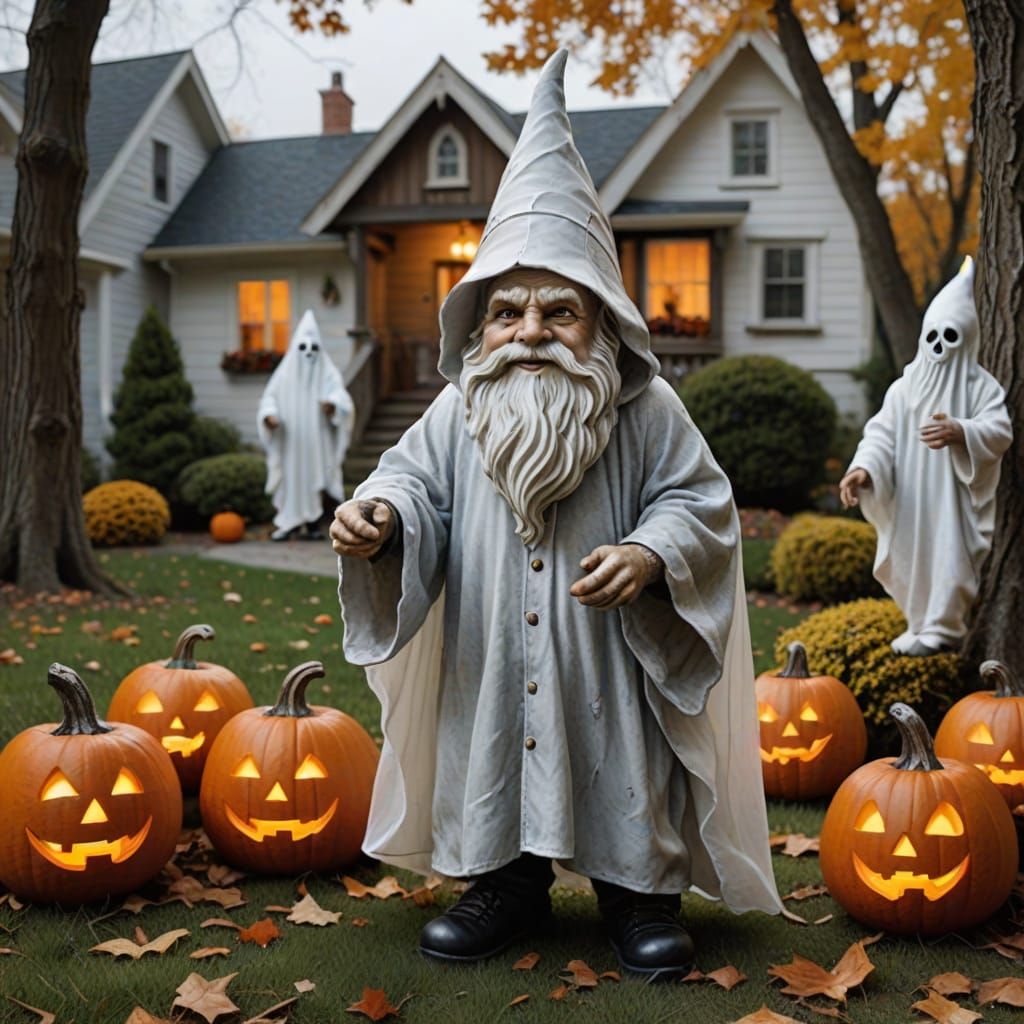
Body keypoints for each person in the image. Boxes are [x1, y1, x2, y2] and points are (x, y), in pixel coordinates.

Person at [331, 50, 780, 979]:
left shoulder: (645, 410)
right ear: (477, 326)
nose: (529, 330)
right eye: (506, 312)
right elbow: (413, 483)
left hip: (609, 655)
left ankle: (637, 894)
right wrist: (381, 517)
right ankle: (505, 879)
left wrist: (654, 554)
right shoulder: (459, 410)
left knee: (621, 759)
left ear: (601, 322)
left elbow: (702, 502)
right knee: (493, 749)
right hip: (489, 647)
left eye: (557, 310)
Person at [840, 258, 1011, 655]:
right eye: (931, 337)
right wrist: (863, 469)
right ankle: (919, 620)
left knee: (951, 557)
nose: (937, 348)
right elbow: (880, 433)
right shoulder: (904, 388)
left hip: (954, 501)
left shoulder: (979, 388)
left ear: (967, 340)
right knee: (913, 559)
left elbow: (999, 430)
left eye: (949, 337)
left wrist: (961, 431)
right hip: (912, 500)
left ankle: (944, 624)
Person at [258, 310, 354, 541]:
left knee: (313, 479)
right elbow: (268, 398)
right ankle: (288, 522)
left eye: (314, 348)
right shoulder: (283, 376)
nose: (309, 353)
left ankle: (311, 523)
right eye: (303, 348)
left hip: (315, 440)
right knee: (291, 480)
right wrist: (269, 416)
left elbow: (341, 397)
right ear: (295, 349)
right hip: (290, 440)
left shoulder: (327, 372)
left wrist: (334, 405)